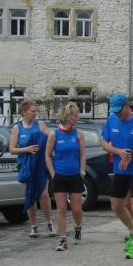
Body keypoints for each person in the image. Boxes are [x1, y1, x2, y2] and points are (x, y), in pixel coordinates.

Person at [100, 93, 133, 260]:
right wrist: (118, 151)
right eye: (115, 111)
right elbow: (104, 143)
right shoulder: (111, 120)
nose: (118, 114)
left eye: (120, 111)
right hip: (120, 171)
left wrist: (132, 154)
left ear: (127, 106)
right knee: (116, 206)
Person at [9, 99, 54, 238]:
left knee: (44, 194)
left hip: (40, 165)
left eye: (36, 111)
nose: (35, 113)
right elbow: (12, 149)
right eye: (33, 111)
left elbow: (51, 137)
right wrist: (26, 149)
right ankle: (34, 226)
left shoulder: (40, 125)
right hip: (26, 165)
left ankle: (49, 223)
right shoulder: (17, 128)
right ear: (24, 112)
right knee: (30, 194)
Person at [45, 102, 86, 252]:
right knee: (61, 208)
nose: (77, 118)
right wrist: (53, 174)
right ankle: (62, 239)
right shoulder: (54, 134)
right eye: (75, 116)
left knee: (76, 209)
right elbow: (47, 155)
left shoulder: (79, 134)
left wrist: (82, 171)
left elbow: (82, 154)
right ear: (68, 117)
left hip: (75, 175)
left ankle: (78, 227)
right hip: (60, 176)